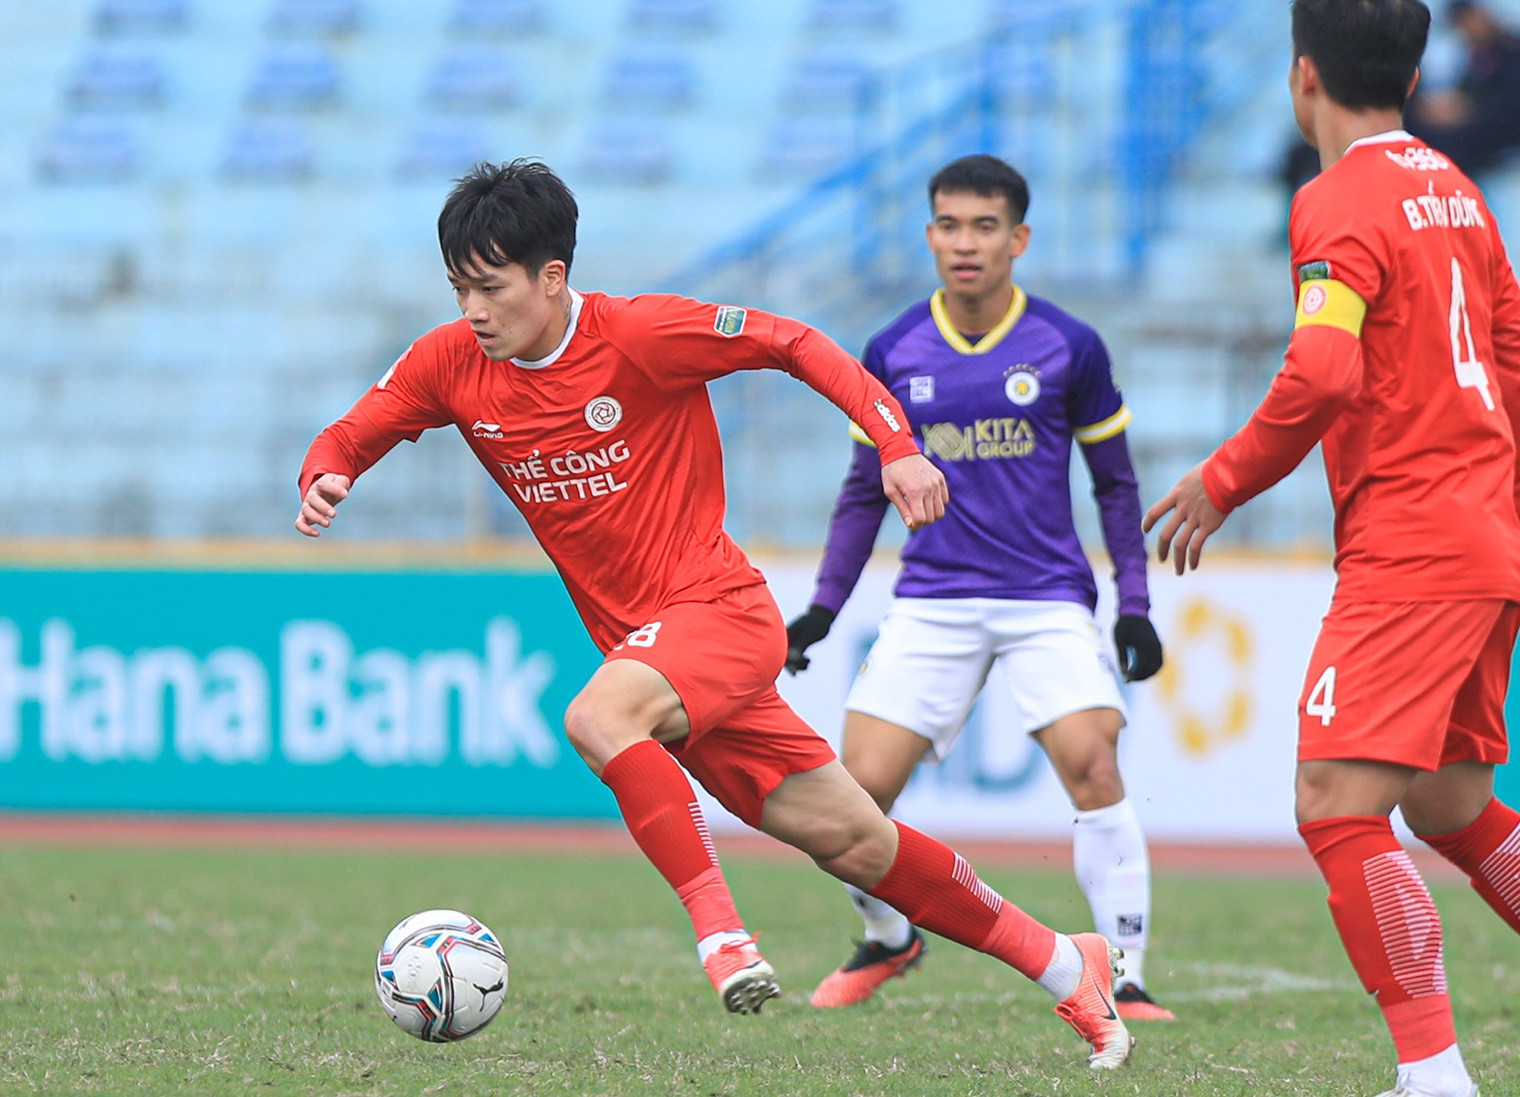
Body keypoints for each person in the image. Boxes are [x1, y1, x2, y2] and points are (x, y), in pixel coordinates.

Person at [296, 159, 1135, 1067]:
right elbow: (353, 429)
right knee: (856, 841)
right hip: (654, 654)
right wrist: (326, 472)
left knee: (596, 715)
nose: (472, 310)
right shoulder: (451, 362)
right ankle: (1066, 964)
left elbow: (796, 342)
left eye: (490, 288)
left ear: (552, 277)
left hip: (718, 612)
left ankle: (722, 935)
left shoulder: (641, 334)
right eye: (459, 287)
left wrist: (896, 444)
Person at [1145, 3, 1520, 1095]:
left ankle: (1432, 1071)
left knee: (1335, 803)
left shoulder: (1337, 196)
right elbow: (1508, 350)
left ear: (1301, 75)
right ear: (1412, 73)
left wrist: (1220, 481)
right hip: (1482, 534)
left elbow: (1319, 372)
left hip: (1413, 546)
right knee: (1448, 800)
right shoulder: (1457, 190)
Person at [781, 153, 1173, 1022]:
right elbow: (861, 491)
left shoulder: (1070, 345)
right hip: (932, 601)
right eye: (950, 225)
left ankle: (1128, 973)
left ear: (1019, 238)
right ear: (929, 235)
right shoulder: (892, 348)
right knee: (845, 798)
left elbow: (1116, 485)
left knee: (1093, 760)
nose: (966, 243)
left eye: (985, 226)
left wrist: (1135, 605)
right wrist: (821, 608)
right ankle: (891, 936)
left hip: (1045, 598)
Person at [1407, 0, 1520, 177]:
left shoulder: (1510, 51)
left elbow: (1510, 105)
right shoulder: (1479, 54)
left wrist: (1470, 109)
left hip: (1501, 135)